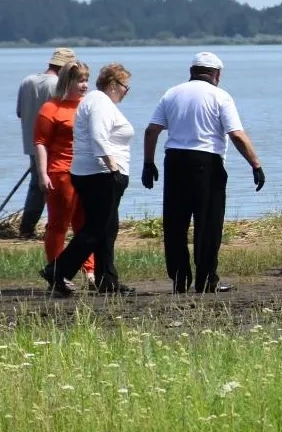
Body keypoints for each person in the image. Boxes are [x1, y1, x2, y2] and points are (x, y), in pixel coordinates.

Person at [141, 52, 266, 294]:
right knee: (208, 223)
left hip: (175, 161)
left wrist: (148, 163)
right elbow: (236, 135)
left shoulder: (171, 93)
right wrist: (256, 164)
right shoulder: (220, 96)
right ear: (216, 74)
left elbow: (151, 130)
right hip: (206, 162)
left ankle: (179, 279)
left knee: (175, 223)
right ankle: (206, 279)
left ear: (192, 71)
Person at [48, 63, 134, 296]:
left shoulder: (99, 102)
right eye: (126, 86)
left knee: (107, 228)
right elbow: (98, 137)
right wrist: (113, 169)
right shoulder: (99, 102)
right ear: (114, 85)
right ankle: (58, 270)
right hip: (100, 175)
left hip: (97, 174)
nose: (127, 91)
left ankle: (108, 280)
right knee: (96, 228)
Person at [33, 60, 95, 288]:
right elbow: (40, 142)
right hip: (60, 172)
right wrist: (42, 174)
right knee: (59, 224)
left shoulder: (87, 105)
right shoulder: (51, 108)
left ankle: (90, 271)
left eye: (86, 79)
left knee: (86, 223)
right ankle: (57, 273)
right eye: (80, 80)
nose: (84, 85)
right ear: (67, 81)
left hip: (86, 171)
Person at [15, 48, 77, 237]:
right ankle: (41, 227)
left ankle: (30, 226)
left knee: (38, 183)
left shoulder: (27, 81)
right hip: (55, 144)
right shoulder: (60, 85)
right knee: (51, 186)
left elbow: (19, 112)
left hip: (31, 142)